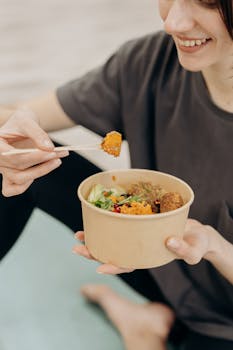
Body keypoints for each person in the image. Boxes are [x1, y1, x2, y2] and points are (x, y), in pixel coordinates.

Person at [0, 0, 233, 349]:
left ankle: (146, 328)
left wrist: (214, 246)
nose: (173, 22)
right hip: (160, 266)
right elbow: (19, 116)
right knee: (15, 153)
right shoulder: (150, 61)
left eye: (209, 3)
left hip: (225, 317)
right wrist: (8, 135)